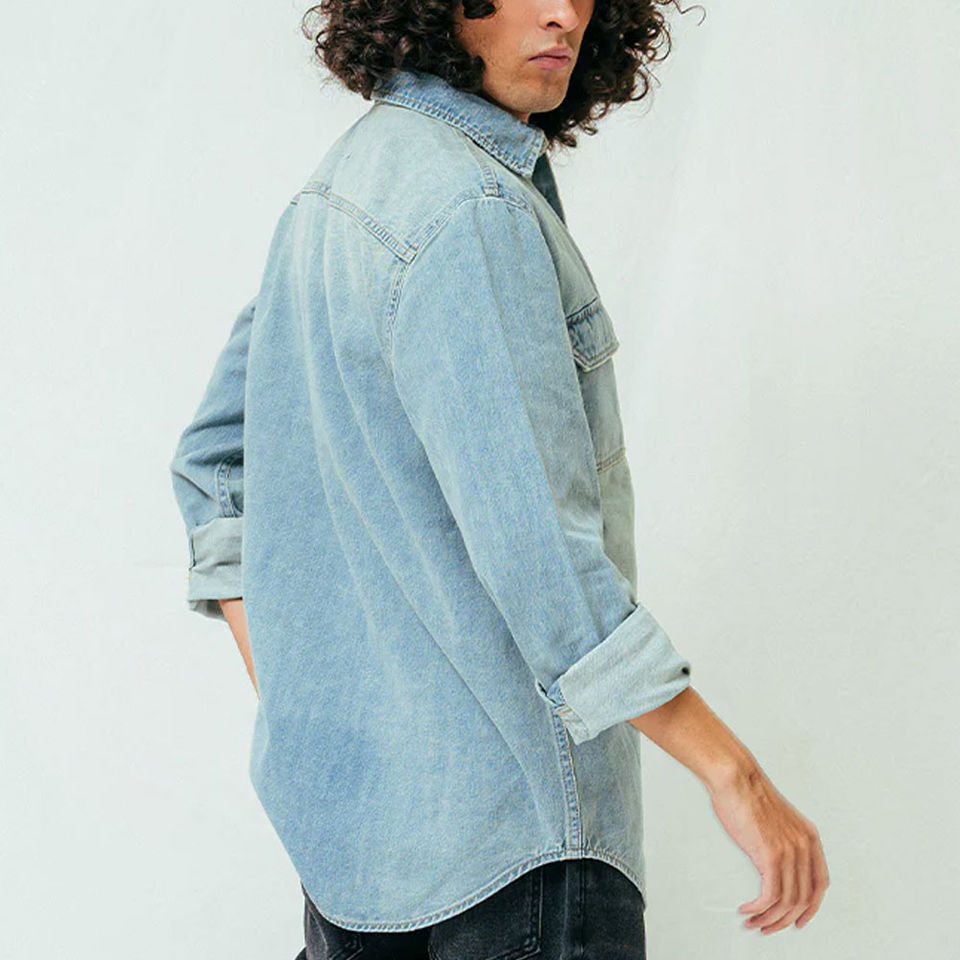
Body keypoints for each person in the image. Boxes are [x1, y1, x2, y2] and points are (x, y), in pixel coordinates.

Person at [168, 1, 829, 956]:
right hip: (512, 847)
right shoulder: (471, 209)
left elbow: (211, 463)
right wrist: (734, 773)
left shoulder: (341, 188)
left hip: (352, 858)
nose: (562, 13)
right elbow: (538, 552)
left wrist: (313, 696)